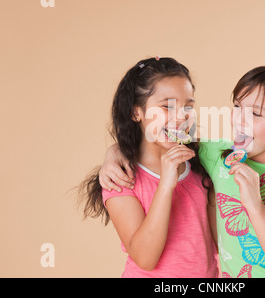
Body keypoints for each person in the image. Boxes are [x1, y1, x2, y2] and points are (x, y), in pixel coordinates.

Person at [100, 63, 265, 278]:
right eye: (238, 108)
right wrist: (117, 150)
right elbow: (166, 140)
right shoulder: (218, 157)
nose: (241, 121)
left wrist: (254, 203)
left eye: (256, 113)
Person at [77, 56, 219, 278]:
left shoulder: (203, 163)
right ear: (136, 112)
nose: (181, 117)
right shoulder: (120, 177)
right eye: (167, 106)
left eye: (188, 106)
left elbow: (219, 245)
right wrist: (165, 186)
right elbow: (145, 258)